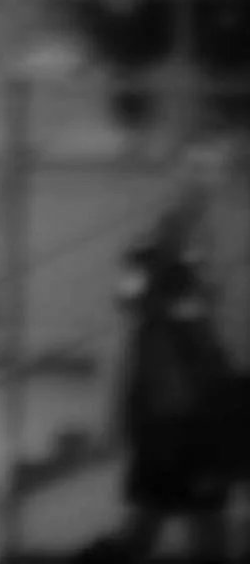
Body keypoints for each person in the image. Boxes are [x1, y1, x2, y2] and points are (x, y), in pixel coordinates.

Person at [110, 175, 237, 564]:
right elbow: (131, 302)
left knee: (193, 518)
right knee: (163, 517)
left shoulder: (190, 264)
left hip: (185, 415)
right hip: (170, 415)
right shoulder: (150, 261)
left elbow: (200, 318)